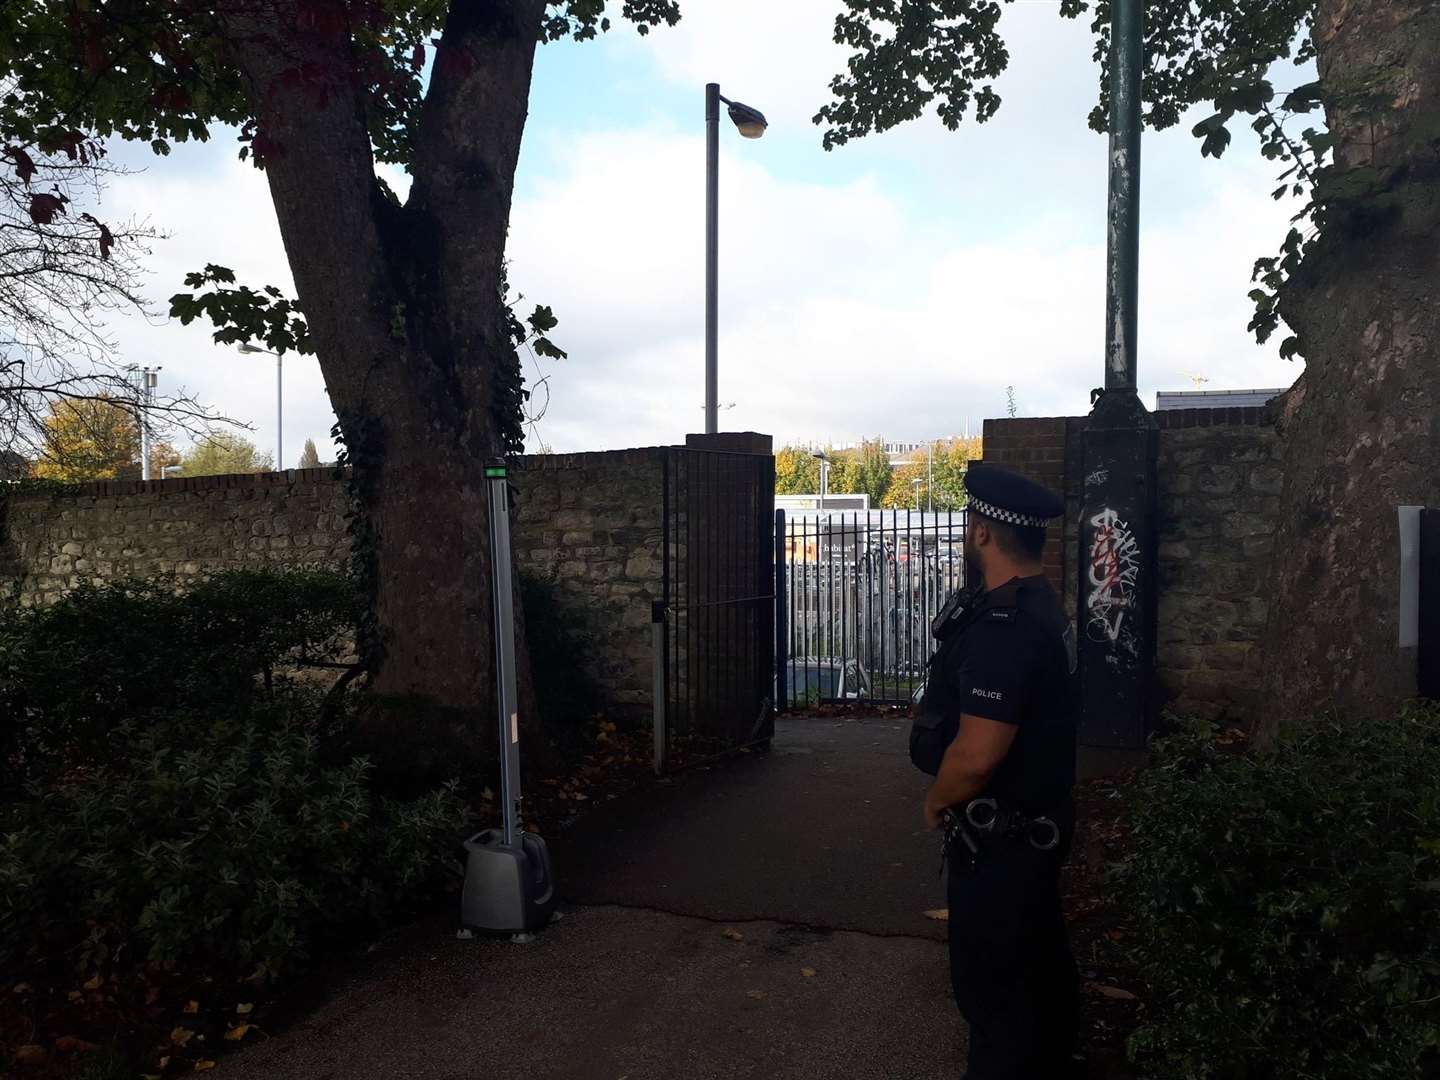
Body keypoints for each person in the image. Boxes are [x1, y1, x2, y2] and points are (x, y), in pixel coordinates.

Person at [915, 463, 1080, 1080]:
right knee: (1039, 977)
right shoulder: (1043, 607)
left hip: (1003, 846)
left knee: (995, 997)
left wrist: (937, 799)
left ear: (983, 533)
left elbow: (978, 754)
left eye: (968, 524)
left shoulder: (1005, 629)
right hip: (1035, 831)